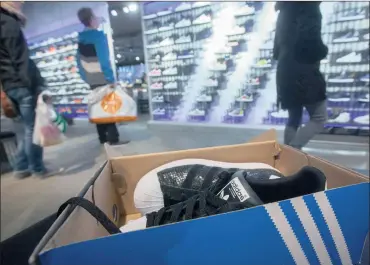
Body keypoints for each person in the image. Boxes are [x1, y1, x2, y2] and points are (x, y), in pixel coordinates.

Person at [0, 2, 49, 178]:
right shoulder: (9, 23)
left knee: (24, 129)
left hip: (9, 86)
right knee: (33, 129)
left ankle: (21, 167)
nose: (21, 4)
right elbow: (20, 59)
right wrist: (34, 85)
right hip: (22, 84)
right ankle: (37, 167)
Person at [273, 2, 328, 150]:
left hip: (285, 70)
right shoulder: (309, 7)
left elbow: (276, 51)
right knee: (319, 118)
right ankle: (293, 151)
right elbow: (311, 42)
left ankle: (286, 157)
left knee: (294, 118)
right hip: (305, 69)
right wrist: (323, 51)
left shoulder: (284, 10)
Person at [76, 7, 128, 145]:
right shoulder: (98, 36)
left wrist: (86, 77)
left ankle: (102, 138)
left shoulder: (80, 39)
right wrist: (110, 78)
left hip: (91, 79)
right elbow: (104, 59)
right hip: (102, 77)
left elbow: (79, 62)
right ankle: (113, 138)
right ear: (92, 19)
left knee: (97, 106)